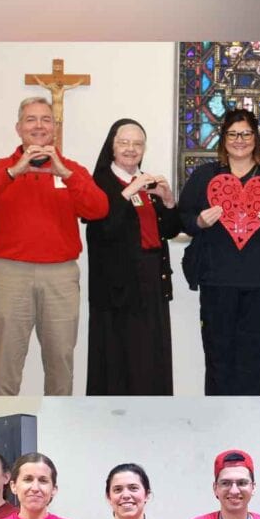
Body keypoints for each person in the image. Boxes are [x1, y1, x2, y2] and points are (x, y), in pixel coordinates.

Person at [0, 97, 109, 395]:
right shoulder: (2, 167)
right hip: (11, 275)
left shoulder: (72, 170)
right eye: (31, 119)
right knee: (5, 363)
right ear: (19, 128)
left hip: (61, 277)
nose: (38, 125)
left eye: (45, 119)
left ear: (54, 128)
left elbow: (99, 209)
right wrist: (13, 172)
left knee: (61, 362)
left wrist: (64, 175)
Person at [178, 108, 260, 395]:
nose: (240, 140)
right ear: (223, 139)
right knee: (217, 357)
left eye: (246, 134)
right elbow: (181, 217)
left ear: (257, 139)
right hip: (216, 281)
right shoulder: (205, 176)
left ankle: (249, 424)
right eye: (233, 134)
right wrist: (199, 221)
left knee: (253, 359)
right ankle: (217, 423)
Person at [84, 119, 183, 394]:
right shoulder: (100, 183)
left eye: (137, 144)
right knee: (119, 362)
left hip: (151, 280)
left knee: (151, 358)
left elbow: (170, 230)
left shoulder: (147, 183)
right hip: (116, 288)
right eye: (124, 143)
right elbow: (105, 225)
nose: (131, 149)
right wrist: (129, 190)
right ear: (111, 147)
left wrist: (168, 200)